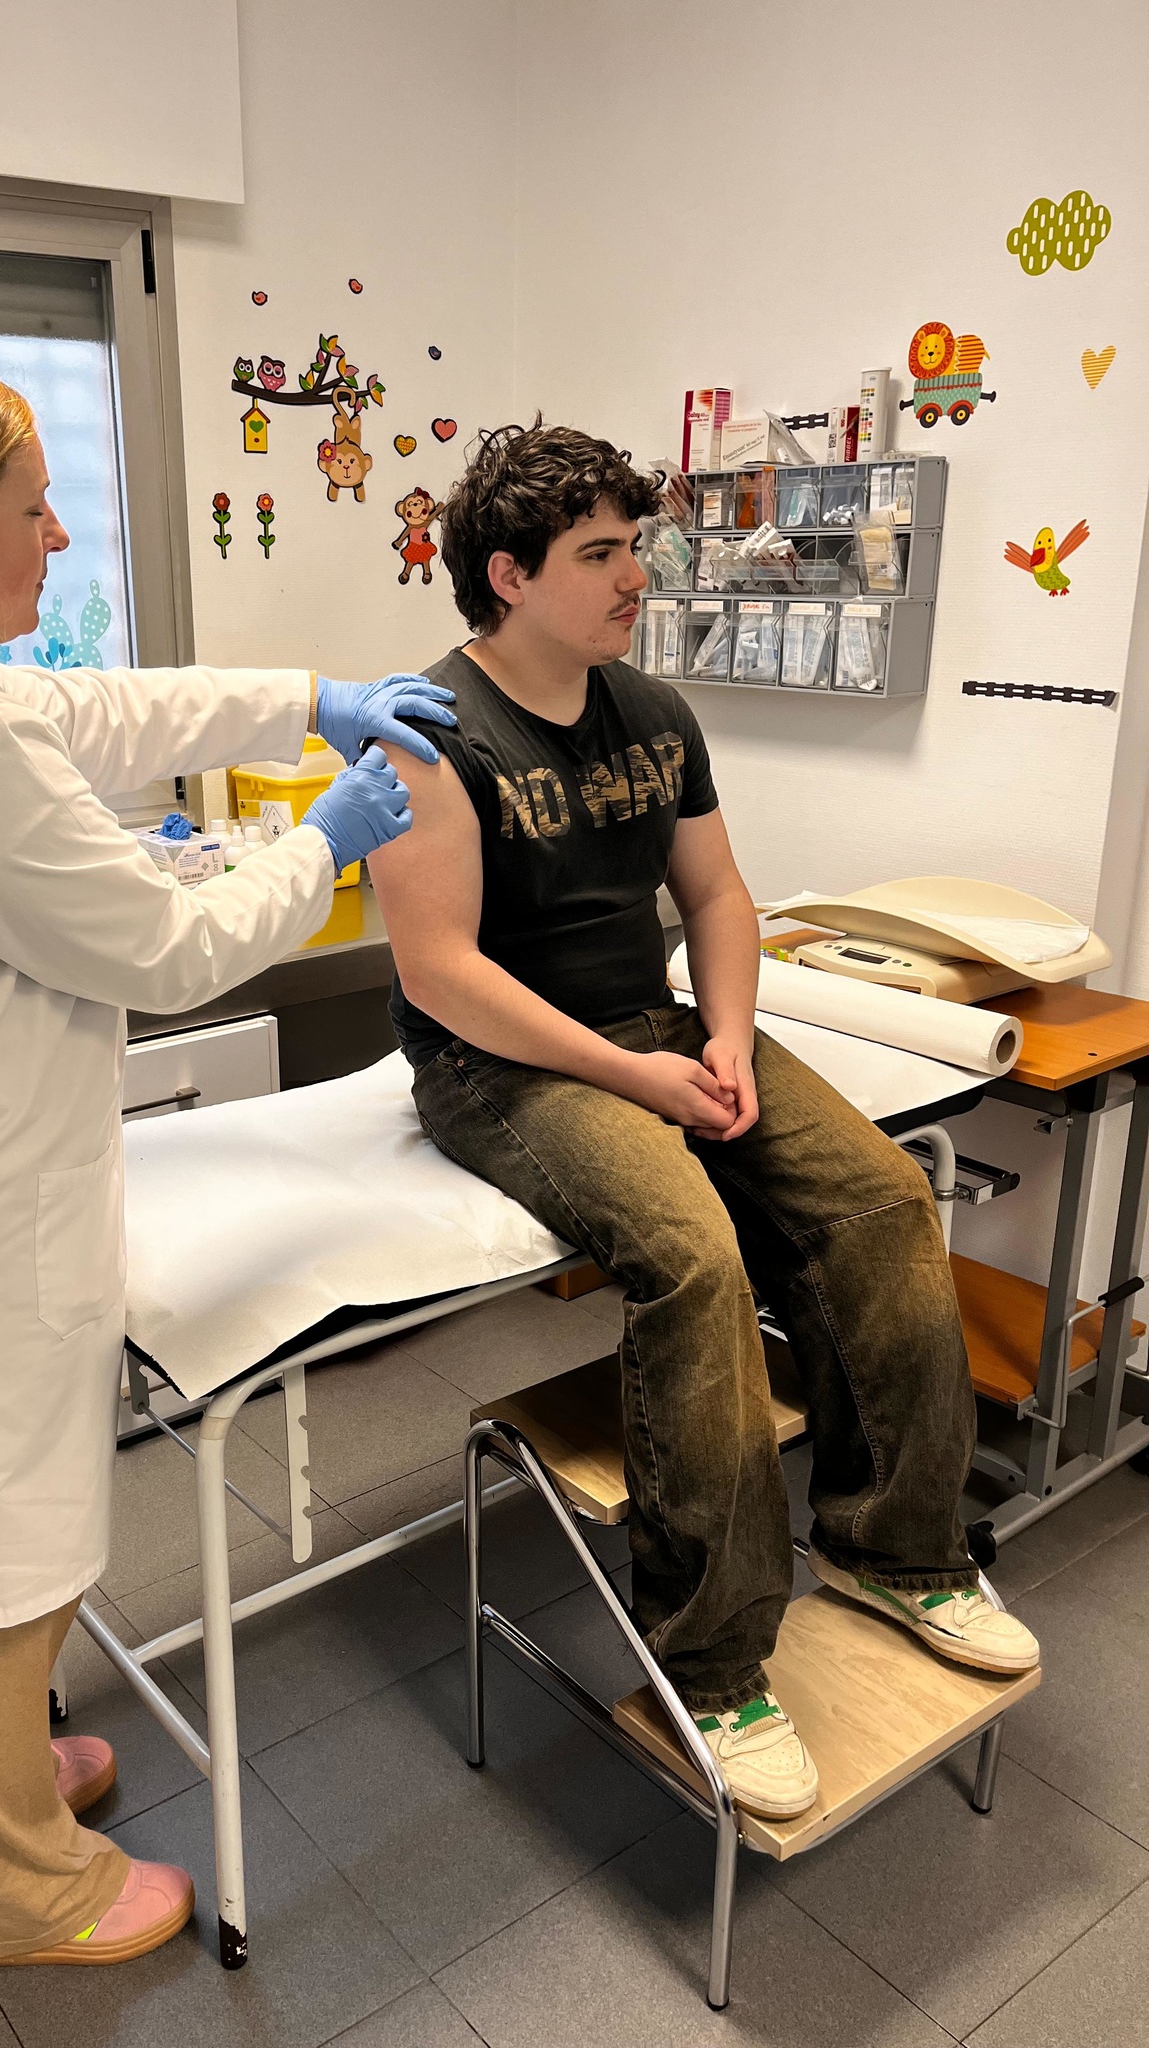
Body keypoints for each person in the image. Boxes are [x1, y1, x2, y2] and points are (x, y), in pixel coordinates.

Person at [0, 342, 454, 1967]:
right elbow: (171, 948)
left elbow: (112, 709)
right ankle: (13, 1888)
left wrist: (310, 697)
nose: (56, 537)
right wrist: (323, 839)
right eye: (32, 507)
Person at [367, 421, 1038, 1821]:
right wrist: (641, 1083)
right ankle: (714, 1663)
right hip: (499, 1063)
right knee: (695, 1257)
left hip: (656, 1025)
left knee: (880, 1196)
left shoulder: (653, 712)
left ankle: (896, 1549)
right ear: (510, 575)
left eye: (638, 548)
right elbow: (441, 973)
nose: (637, 578)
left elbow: (720, 897)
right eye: (601, 554)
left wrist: (724, 1035)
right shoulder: (429, 733)